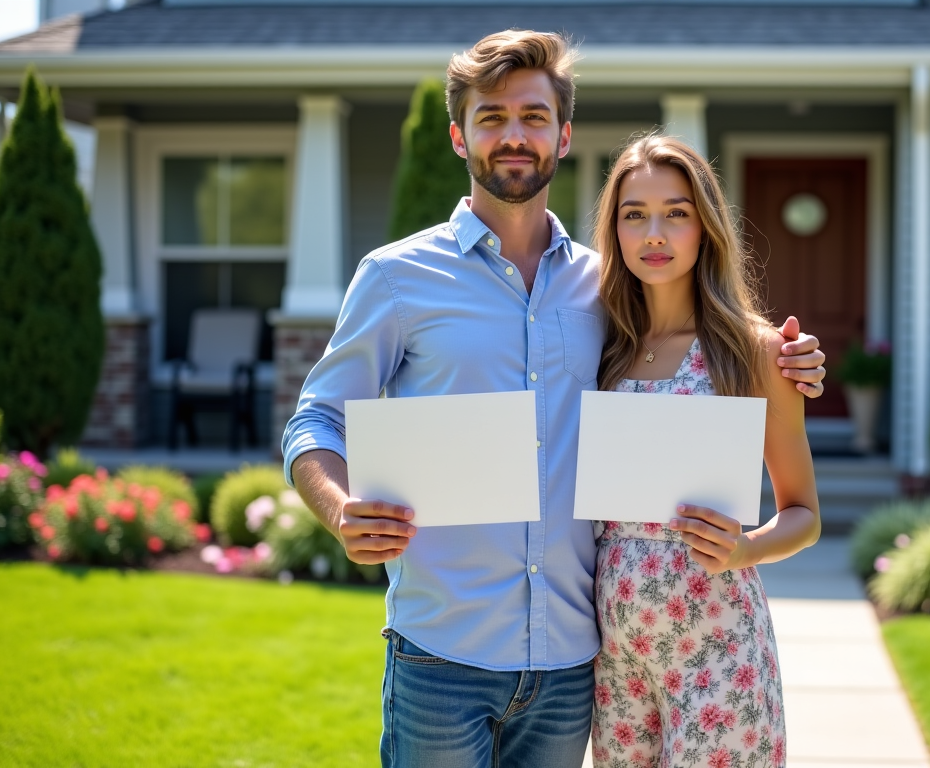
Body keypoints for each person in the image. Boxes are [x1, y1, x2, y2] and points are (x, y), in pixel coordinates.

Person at [282, 30, 826, 768]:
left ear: (564, 135)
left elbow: (701, 332)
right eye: (492, 117)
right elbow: (317, 418)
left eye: (534, 117)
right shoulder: (394, 278)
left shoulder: (608, 292)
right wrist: (341, 507)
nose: (514, 135)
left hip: (576, 666)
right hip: (443, 655)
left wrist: (787, 358)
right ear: (458, 134)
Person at [588, 135, 819, 768]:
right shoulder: (601, 346)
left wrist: (746, 548)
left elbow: (805, 514)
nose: (654, 233)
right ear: (615, 230)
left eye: (676, 212)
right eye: (634, 214)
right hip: (618, 661)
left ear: (705, 228)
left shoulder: (755, 352)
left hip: (718, 657)